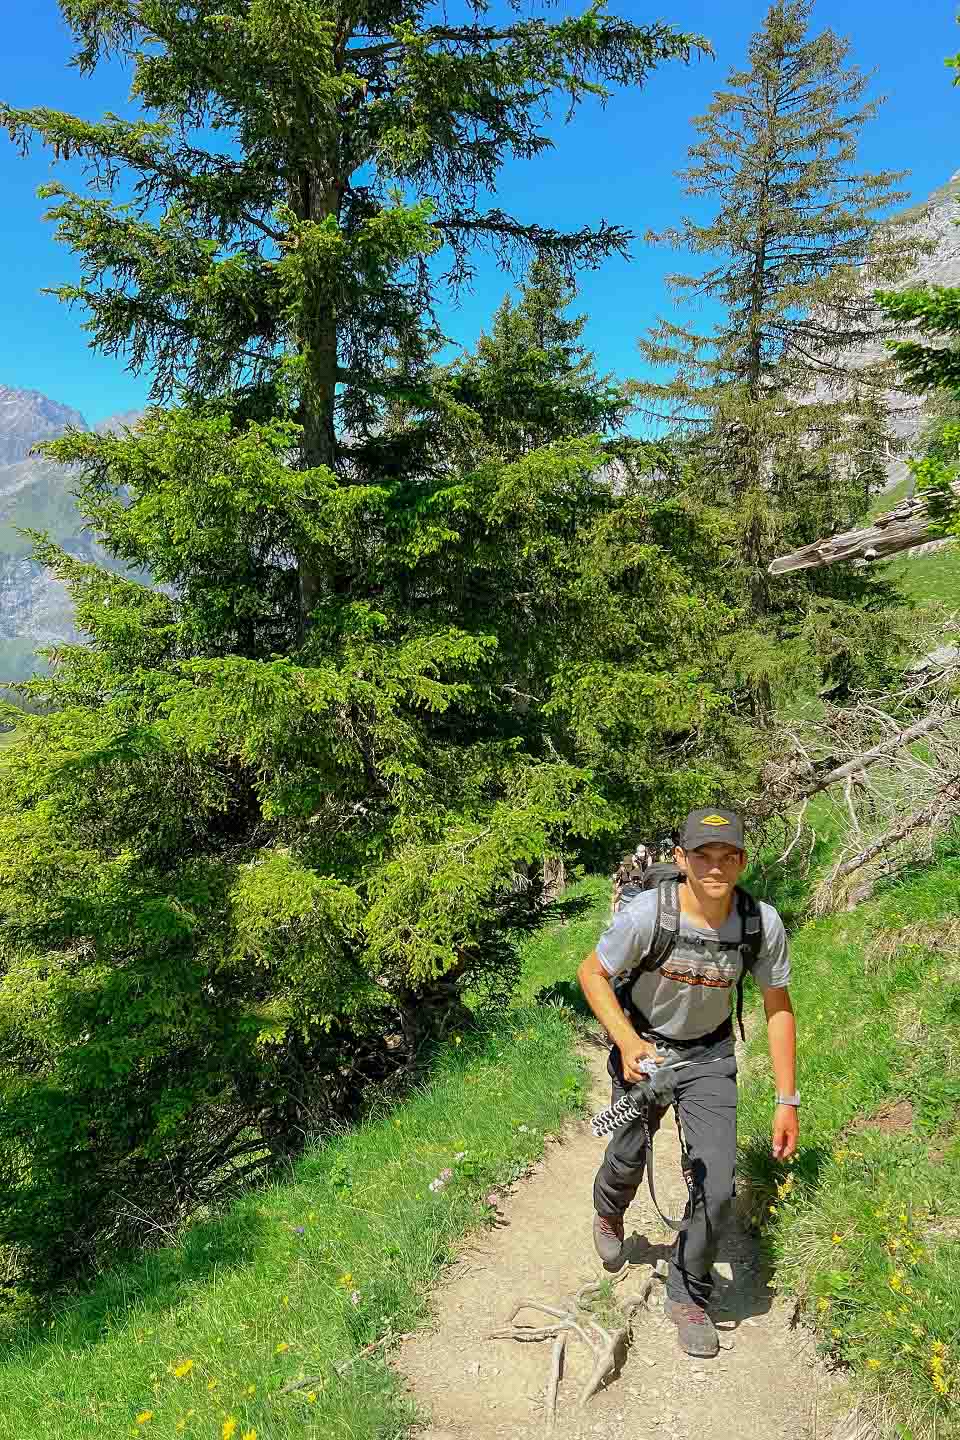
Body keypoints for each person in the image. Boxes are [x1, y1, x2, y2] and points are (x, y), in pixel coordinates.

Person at [577, 807, 798, 1359]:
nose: (716, 866)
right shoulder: (649, 914)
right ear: (681, 859)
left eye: (729, 856)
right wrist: (628, 1043)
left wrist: (786, 1099)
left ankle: (688, 1290)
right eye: (704, 855)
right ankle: (609, 1206)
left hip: (710, 1056)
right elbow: (591, 974)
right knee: (626, 1153)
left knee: (718, 1185)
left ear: (743, 860)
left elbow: (778, 1008)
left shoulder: (759, 923)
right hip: (645, 1052)